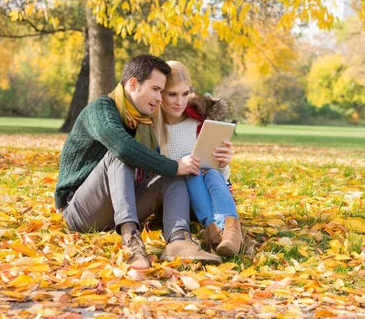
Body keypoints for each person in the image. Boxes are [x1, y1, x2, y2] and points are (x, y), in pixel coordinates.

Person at [54, 54, 221, 270]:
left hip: (122, 204)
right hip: (80, 210)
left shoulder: (141, 120)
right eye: (155, 89)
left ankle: (179, 239)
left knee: (172, 175)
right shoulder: (101, 110)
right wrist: (173, 165)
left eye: (162, 91)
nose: (160, 98)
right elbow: (123, 148)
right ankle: (131, 242)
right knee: (121, 154)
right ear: (133, 83)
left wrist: (206, 161)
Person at [157, 61, 242, 257]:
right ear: (160, 93)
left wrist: (223, 162)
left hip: (211, 197)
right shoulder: (152, 127)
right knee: (191, 173)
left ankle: (228, 232)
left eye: (185, 94)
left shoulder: (199, 122)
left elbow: (219, 174)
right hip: (175, 202)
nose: (180, 101)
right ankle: (216, 229)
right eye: (172, 94)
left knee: (211, 172)